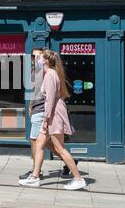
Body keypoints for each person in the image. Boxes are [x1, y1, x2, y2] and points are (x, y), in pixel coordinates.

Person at [19, 50, 86, 190]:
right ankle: (35, 177)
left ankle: (78, 178)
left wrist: (45, 120)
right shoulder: (50, 74)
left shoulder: (50, 75)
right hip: (53, 114)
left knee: (59, 148)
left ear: (46, 61)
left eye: (40, 58)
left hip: (53, 115)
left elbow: (49, 101)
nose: (37, 60)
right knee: (40, 144)